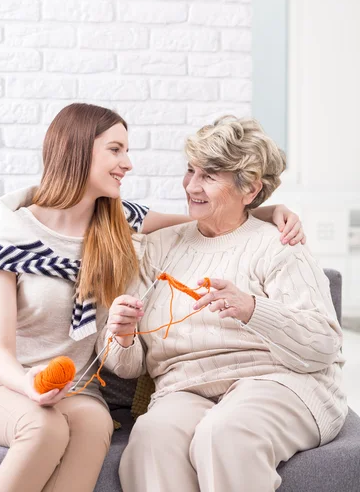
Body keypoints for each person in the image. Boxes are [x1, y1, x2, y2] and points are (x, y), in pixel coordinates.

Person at [0, 104, 305, 492]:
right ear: (76, 150)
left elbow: (204, 220)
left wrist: (268, 209)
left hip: (78, 389)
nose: (127, 163)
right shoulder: (12, 231)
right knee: (44, 428)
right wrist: (29, 386)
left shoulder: (120, 221)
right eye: (116, 149)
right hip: (7, 383)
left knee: (95, 424)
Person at [103, 115, 347, 492]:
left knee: (225, 435)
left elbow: (323, 346)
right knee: (151, 442)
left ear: (249, 188)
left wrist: (252, 308)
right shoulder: (160, 246)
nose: (191, 186)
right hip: (185, 389)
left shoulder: (277, 245)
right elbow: (127, 366)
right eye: (190, 170)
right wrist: (122, 335)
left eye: (209, 176)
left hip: (280, 383)